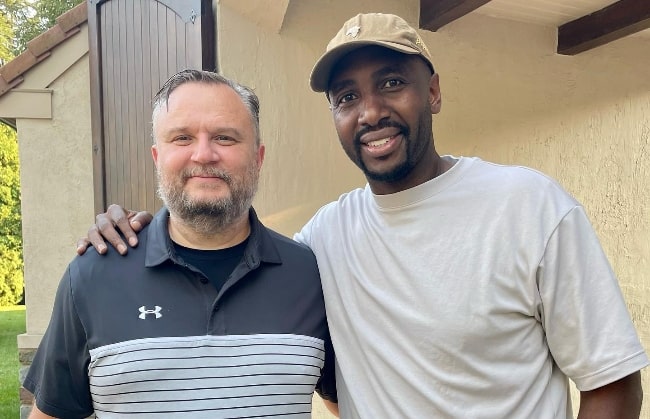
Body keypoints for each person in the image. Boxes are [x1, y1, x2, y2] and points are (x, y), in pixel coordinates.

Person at [78, 13, 647, 418]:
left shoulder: (529, 206)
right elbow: (232, 244)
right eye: (346, 97)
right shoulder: (326, 238)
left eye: (392, 83)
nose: (370, 111)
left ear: (435, 92)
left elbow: (613, 381)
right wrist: (138, 227)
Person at [25, 70, 336, 418]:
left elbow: (353, 404)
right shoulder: (92, 275)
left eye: (225, 138)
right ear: (158, 158)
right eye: (182, 138)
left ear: (258, 158)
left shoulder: (310, 275)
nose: (203, 155)